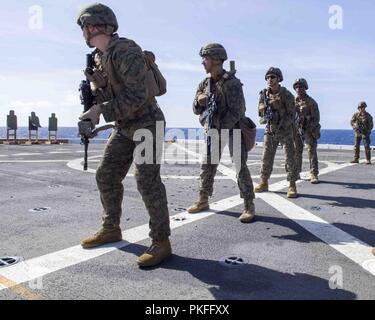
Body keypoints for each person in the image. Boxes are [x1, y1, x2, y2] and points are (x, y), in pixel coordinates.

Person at [76, 3, 171, 268]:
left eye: (84, 28)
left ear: (93, 26)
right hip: (124, 124)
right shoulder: (99, 57)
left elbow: (138, 95)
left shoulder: (125, 50)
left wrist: (99, 111)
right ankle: (111, 228)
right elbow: (107, 96)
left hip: (147, 123)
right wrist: (93, 112)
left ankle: (161, 241)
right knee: (106, 174)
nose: (83, 33)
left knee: (147, 180)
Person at [187, 43, 256, 223]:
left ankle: (249, 204)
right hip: (213, 130)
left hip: (233, 129)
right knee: (208, 165)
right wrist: (199, 101)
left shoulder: (232, 83)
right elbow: (195, 109)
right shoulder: (205, 83)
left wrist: (221, 128)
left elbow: (238, 111)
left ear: (217, 60)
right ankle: (203, 199)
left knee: (240, 166)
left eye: (206, 58)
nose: (203, 62)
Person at [254, 67, 298, 198]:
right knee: (266, 157)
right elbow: (260, 113)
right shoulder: (263, 94)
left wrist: (282, 124)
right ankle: (264, 181)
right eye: (267, 77)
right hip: (270, 130)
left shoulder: (287, 94)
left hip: (285, 130)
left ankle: (292, 185)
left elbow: (292, 114)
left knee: (289, 157)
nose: (269, 79)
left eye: (272, 77)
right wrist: (265, 117)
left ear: (279, 79)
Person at [293, 78, 321, 184]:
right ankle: (296, 172)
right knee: (296, 151)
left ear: (305, 88)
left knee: (311, 151)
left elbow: (316, 118)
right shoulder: (293, 101)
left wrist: (308, 125)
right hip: (297, 130)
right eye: (297, 87)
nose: (299, 89)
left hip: (309, 130)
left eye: (301, 87)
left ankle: (314, 174)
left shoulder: (311, 102)